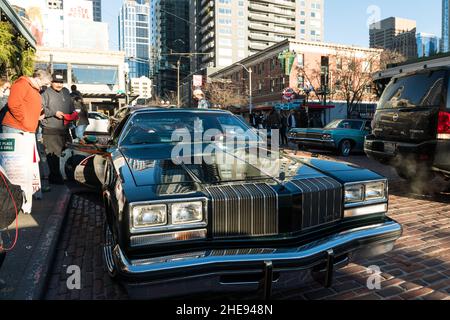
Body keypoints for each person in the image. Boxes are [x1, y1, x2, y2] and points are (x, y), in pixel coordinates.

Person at [0, 70, 52, 214]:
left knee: (24, 169)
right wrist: (25, 121)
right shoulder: (22, 84)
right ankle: (10, 203)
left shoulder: (34, 89)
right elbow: (13, 104)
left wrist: (35, 116)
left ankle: (21, 201)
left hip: (25, 130)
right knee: (13, 169)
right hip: (17, 129)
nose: (44, 87)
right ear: (38, 78)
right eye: (44, 84)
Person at [41, 74, 75, 185]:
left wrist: (73, 115)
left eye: (61, 82)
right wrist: (54, 113)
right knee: (53, 155)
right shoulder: (45, 93)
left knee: (66, 153)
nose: (59, 84)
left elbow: (71, 107)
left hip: (64, 129)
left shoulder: (66, 92)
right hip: (50, 129)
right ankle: (55, 178)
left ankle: (65, 174)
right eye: (56, 82)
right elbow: (40, 109)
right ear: (51, 82)